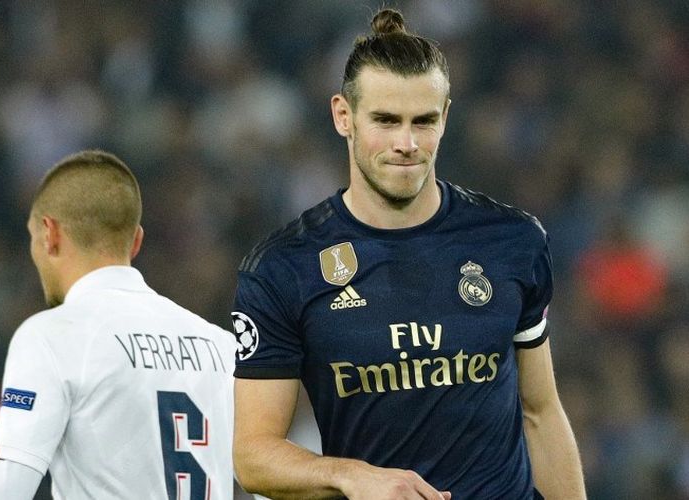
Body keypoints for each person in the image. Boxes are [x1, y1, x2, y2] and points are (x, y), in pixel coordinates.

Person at [231, 8, 586, 500]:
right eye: (385, 120)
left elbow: (541, 412)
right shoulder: (283, 268)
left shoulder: (513, 241)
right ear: (343, 116)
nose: (407, 143)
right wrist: (354, 476)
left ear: (445, 117)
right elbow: (253, 457)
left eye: (423, 121)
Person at [0, 150, 236, 499]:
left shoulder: (50, 336)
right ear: (135, 241)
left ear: (49, 234)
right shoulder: (221, 345)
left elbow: (3, 488)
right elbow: (271, 479)